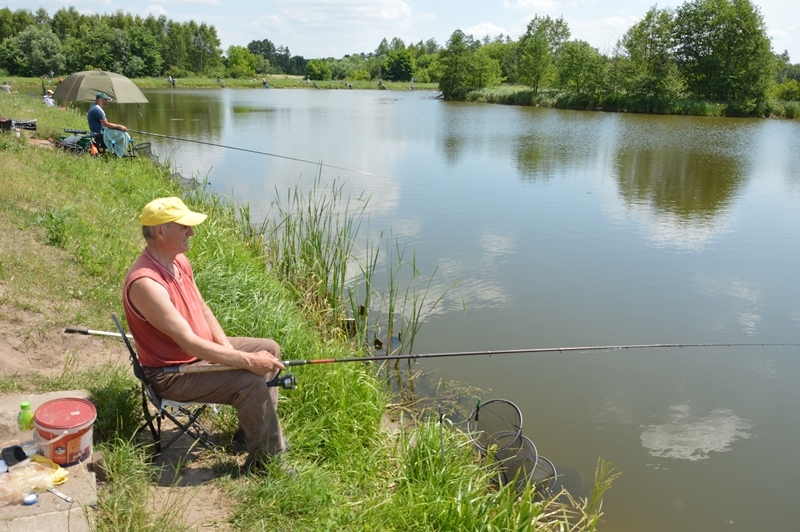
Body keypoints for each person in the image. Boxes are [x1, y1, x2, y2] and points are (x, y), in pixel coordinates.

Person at [122, 197, 288, 469]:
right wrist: (245, 362)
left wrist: (229, 353)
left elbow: (202, 308)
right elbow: (189, 344)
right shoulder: (146, 284)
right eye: (184, 227)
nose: (192, 232)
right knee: (249, 381)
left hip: (196, 357)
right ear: (160, 231)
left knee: (269, 348)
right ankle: (267, 461)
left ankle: (249, 435)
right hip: (172, 374)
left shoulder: (179, 261)